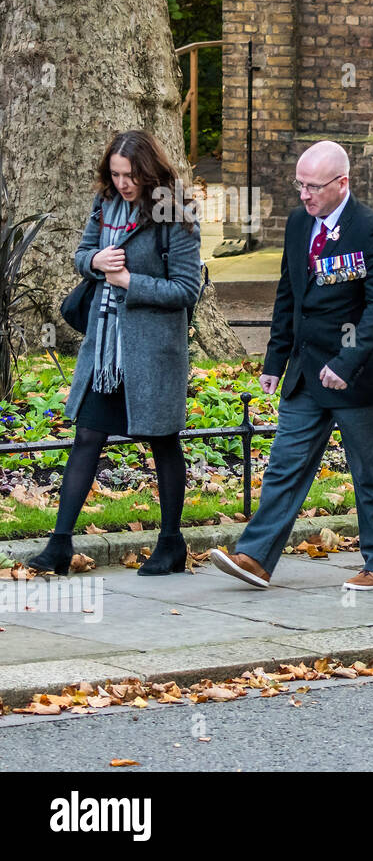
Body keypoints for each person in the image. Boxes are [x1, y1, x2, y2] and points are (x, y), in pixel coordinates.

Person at [208, 141, 373, 591]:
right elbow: (289, 295)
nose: (304, 195)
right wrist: (275, 359)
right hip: (304, 372)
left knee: (371, 473)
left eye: (313, 186)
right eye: (300, 185)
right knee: (284, 465)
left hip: (354, 377)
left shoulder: (370, 229)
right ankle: (256, 556)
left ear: (342, 184)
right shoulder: (299, 224)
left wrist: (346, 361)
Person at [28, 130, 202, 577]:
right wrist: (95, 263)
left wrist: (129, 283)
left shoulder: (175, 212)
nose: (122, 183)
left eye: (130, 175)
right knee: (87, 436)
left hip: (152, 352)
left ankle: (170, 543)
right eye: (115, 174)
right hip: (105, 348)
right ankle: (59, 544)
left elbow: (186, 289)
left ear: (149, 172)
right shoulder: (105, 204)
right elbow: (83, 254)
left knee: (163, 442)